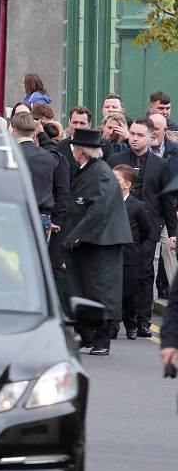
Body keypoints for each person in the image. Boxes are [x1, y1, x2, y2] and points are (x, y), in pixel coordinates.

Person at [64, 127, 132, 355]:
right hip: (94, 239)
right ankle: (87, 336)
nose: (73, 151)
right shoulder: (92, 170)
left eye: (75, 148)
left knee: (101, 290)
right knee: (85, 288)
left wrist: (76, 234)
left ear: (81, 152)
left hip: (102, 241)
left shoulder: (100, 173)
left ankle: (101, 339)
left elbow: (99, 210)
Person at [109, 117, 175, 337]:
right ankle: (118, 319)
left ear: (150, 137)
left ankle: (143, 320)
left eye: (140, 135)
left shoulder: (161, 165)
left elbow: (167, 201)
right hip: (119, 227)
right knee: (119, 273)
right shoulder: (116, 159)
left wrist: (173, 233)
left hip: (148, 229)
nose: (135, 139)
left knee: (145, 274)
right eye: (133, 134)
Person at [112, 165, 154, 340]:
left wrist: (134, 244)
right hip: (111, 253)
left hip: (130, 255)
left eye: (117, 180)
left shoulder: (138, 206)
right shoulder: (108, 202)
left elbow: (146, 229)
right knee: (113, 292)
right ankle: (112, 325)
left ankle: (131, 323)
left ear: (127, 184)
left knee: (129, 292)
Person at [10, 112, 65, 238]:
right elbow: (54, 152)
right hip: (41, 216)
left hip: (16, 214)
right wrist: (42, 134)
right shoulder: (47, 157)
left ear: (13, 128)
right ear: (34, 132)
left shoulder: (9, 155)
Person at [149, 111, 178, 294]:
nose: (152, 133)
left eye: (156, 129)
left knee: (171, 252)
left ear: (165, 130)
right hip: (147, 213)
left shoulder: (175, 152)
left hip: (169, 214)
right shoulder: (139, 152)